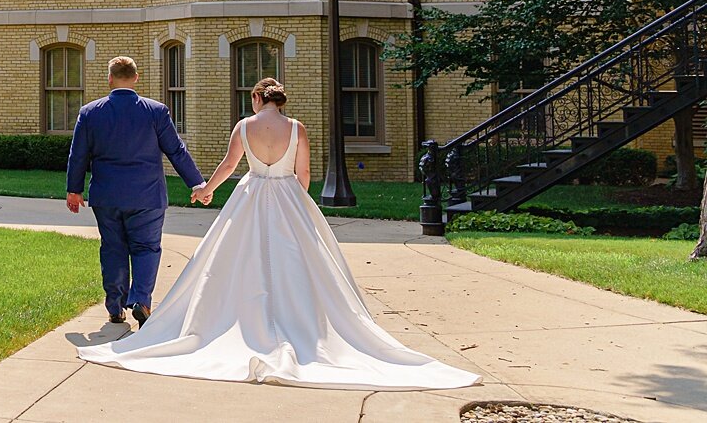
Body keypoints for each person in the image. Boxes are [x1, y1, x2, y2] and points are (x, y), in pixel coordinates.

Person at [77, 78, 480, 389]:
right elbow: (303, 175)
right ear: (279, 101)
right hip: (287, 196)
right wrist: (290, 199)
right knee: (304, 265)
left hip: (251, 195)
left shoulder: (245, 126)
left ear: (256, 99)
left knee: (230, 263)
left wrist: (206, 190)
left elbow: (230, 166)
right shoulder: (298, 128)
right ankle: (300, 323)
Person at [65, 56, 207, 326]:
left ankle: (116, 307)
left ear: (110, 78)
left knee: (113, 248)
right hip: (147, 196)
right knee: (146, 248)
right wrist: (197, 184)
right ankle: (141, 300)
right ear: (136, 77)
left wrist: (74, 189)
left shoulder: (90, 112)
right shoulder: (156, 111)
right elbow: (175, 150)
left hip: (107, 196)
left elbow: (78, 155)